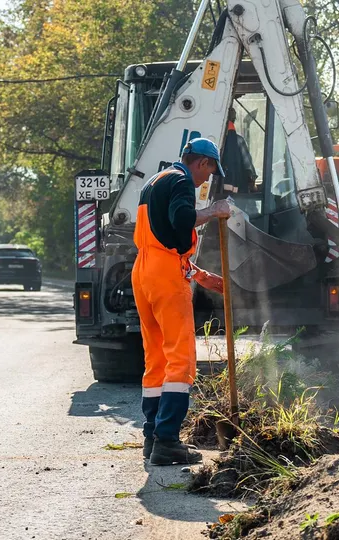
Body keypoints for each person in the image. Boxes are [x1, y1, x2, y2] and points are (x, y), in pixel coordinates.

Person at [132, 137, 232, 466]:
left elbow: (164, 240)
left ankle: (152, 436)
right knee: (180, 358)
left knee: (156, 358)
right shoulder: (180, 181)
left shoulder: (154, 181)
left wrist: (198, 274)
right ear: (201, 162)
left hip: (144, 271)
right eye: (210, 171)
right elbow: (183, 221)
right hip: (163, 275)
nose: (208, 179)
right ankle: (168, 442)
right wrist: (215, 210)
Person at [220, 107, 258, 194]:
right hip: (236, 195)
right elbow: (249, 169)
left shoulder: (213, 141)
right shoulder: (238, 140)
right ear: (233, 121)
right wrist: (253, 184)